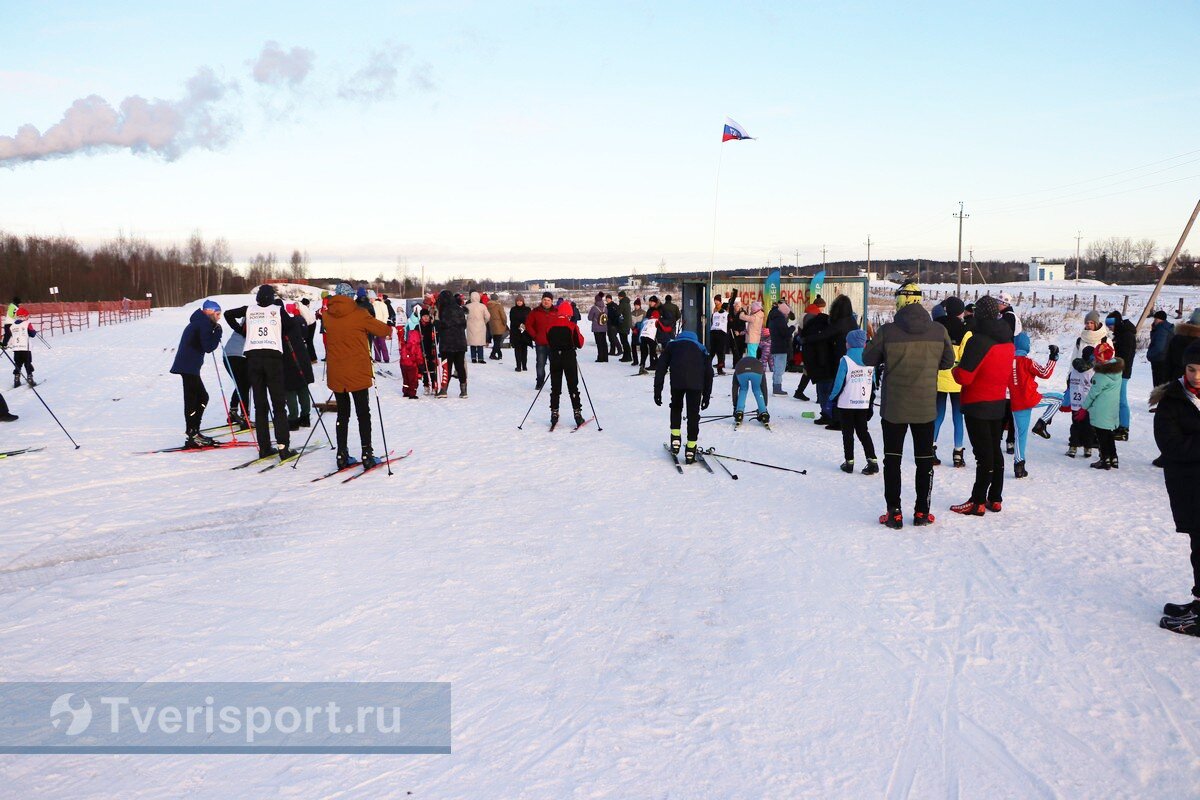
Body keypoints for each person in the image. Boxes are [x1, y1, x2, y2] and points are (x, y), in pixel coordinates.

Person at [863, 281, 954, 528]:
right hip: (925, 407)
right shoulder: (938, 330)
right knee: (924, 460)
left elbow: (868, 358)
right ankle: (922, 512)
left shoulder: (888, 331)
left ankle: (894, 513)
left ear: (900, 301)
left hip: (894, 407)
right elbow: (948, 361)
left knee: (892, 460)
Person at [950, 295, 1015, 516]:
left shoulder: (978, 340)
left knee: (983, 455)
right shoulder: (1007, 338)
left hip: (977, 403)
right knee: (995, 451)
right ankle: (995, 497)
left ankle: (977, 500)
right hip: (998, 401)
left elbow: (965, 377)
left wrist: (955, 370)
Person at [1152, 342, 1200, 636]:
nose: (1196, 376)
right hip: (1189, 486)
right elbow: (1171, 445)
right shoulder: (1172, 400)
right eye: (1192, 369)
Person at [323, 283, 393, 468]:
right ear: (351, 296)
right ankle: (367, 454)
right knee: (363, 413)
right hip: (357, 372)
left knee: (342, 414)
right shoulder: (360, 314)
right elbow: (384, 331)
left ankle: (341, 454)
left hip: (337, 373)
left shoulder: (327, 315)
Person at [237, 285, 303, 460]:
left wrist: (242, 331)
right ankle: (283, 447)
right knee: (278, 405)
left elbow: (229, 314)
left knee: (260, 406)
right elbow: (291, 325)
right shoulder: (277, 310)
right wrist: (278, 331)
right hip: (273, 358)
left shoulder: (250, 310)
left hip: (253, 358)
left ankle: (264, 447)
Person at [168, 299, 223, 448]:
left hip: (189, 366)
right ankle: (193, 433)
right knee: (196, 398)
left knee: (200, 397)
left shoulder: (200, 321)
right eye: (217, 314)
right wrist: (218, 333)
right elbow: (208, 347)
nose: (219, 317)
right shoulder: (203, 323)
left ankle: (194, 431)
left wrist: (213, 329)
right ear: (209, 312)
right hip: (188, 366)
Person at [655, 330, 713, 463]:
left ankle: (675, 439)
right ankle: (691, 449)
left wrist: (657, 390)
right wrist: (706, 396)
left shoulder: (671, 346)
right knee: (693, 415)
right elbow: (709, 373)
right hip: (696, 384)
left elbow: (660, 368)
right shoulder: (701, 348)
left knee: (676, 407)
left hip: (677, 382)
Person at [1007, 332, 1058, 479]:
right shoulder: (1028, 362)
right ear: (1026, 346)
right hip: (1032, 399)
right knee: (1059, 399)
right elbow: (1045, 373)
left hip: (1016, 403)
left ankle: (1019, 466)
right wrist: (1053, 358)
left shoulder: (1007, 362)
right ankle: (1041, 424)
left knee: (1020, 435)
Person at [831, 328, 878, 475]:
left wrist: (832, 398)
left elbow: (839, 383)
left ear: (849, 344)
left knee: (847, 433)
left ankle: (849, 462)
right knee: (863, 432)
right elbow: (873, 383)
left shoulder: (845, 360)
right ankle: (872, 460)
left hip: (846, 403)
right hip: (863, 403)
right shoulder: (870, 361)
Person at [933, 296, 969, 467]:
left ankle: (931, 448)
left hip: (938, 375)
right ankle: (958, 453)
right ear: (961, 312)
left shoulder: (936, 326)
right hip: (956, 378)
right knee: (957, 416)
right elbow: (965, 356)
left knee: (938, 414)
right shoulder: (965, 331)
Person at [545, 300, 586, 428]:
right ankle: (577, 413)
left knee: (555, 387)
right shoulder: (572, 326)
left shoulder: (550, 325)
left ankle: (554, 412)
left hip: (555, 358)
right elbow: (579, 343)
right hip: (569, 358)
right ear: (569, 313)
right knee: (573, 386)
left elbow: (548, 340)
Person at [1083, 342, 1123, 470]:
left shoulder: (1101, 375)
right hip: (1112, 408)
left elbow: (1092, 394)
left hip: (1101, 410)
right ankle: (1113, 458)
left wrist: (1083, 408)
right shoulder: (1117, 370)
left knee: (1101, 435)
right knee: (1109, 434)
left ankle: (1104, 459)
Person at [801, 299, 837, 425]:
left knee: (823, 390)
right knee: (830, 390)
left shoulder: (810, 332)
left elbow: (808, 352)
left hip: (819, 366)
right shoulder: (829, 328)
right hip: (831, 365)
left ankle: (826, 413)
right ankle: (831, 413)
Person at [1105, 310, 1137, 440]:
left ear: (1117, 322)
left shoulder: (1127, 335)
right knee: (1116, 400)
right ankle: (1119, 426)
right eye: (1108, 324)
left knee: (1122, 400)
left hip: (1122, 372)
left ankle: (1124, 429)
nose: (1109, 327)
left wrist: (1114, 365)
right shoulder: (1120, 334)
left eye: (1111, 324)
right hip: (1117, 371)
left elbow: (1125, 357)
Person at [281, 302, 314, 430]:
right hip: (302, 357)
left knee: (290, 390)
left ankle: (293, 419)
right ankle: (305, 417)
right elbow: (305, 334)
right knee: (303, 387)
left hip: (289, 359)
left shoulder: (280, 325)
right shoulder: (297, 320)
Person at [1064, 345, 1097, 459]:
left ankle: (1073, 447)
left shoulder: (1074, 369)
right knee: (1088, 426)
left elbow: (1068, 383)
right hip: (1088, 403)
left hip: (1075, 403)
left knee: (1075, 425)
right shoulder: (1092, 371)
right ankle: (1088, 448)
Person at [221, 306, 252, 427]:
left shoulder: (242, 324)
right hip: (239, 356)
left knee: (241, 384)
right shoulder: (251, 327)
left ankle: (233, 411)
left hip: (228, 356)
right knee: (244, 385)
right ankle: (245, 417)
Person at [436, 290, 469, 397]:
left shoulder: (444, 310)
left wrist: (436, 323)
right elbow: (464, 325)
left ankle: (444, 390)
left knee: (446, 367)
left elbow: (444, 326)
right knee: (460, 367)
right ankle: (464, 391)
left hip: (447, 344)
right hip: (460, 342)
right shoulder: (460, 310)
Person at [523, 292, 558, 389]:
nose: (546, 302)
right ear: (541, 300)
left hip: (553, 344)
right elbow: (528, 325)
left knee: (554, 365)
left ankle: (555, 384)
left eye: (548, 300)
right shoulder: (535, 312)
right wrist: (535, 336)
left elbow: (561, 324)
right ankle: (539, 382)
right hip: (540, 343)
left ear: (552, 301)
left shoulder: (556, 311)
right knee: (540, 364)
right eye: (544, 300)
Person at [3, 307, 38, 387]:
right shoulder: (27, 323)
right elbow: (32, 334)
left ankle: (16, 379)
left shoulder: (12, 326)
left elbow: (9, 334)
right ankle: (30, 378)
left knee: (18, 364)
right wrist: (33, 331)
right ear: (24, 316)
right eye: (27, 316)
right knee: (27, 363)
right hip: (25, 348)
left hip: (16, 349)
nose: (27, 317)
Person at [767, 302, 794, 396]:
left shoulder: (773, 318)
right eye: (787, 314)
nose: (787, 316)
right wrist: (792, 328)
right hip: (781, 347)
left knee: (776, 369)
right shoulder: (780, 319)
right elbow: (785, 333)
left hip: (775, 346)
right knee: (780, 369)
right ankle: (777, 389)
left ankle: (776, 387)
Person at [1167, 308, 1200, 381]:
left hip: (1176, 380)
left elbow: (1167, 365)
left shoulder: (1176, 339)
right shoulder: (1197, 343)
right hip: (1194, 382)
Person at [399, 310, 423, 400]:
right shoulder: (417, 346)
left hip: (403, 364)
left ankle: (405, 392)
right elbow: (419, 357)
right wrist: (420, 365)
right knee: (413, 380)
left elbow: (402, 353)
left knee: (406, 379)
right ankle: (412, 393)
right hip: (412, 365)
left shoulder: (406, 344)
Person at [464, 291, 489, 364]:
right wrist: (484, 322)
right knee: (480, 342)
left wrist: (467, 322)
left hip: (470, 325)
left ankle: (473, 358)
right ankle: (480, 358)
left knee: (472, 343)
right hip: (480, 325)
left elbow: (464, 317)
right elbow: (487, 316)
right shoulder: (482, 306)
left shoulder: (467, 306)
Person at [417, 309, 438, 392]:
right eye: (424, 316)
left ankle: (434, 385)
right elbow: (414, 338)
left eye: (427, 316)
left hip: (431, 349)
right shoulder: (418, 326)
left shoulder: (432, 326)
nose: (426, 318)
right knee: (424, 368)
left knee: (432, 368)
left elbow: (437, 338)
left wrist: (435, 336)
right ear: (421, 317)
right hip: (422, 349)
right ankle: (426, 385)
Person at [508, 295, 531, 372]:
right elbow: (512, 319)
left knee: (524, 349)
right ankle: (518, 366)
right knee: (517, 349)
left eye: (520, 301)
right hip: (516, 332)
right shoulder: (513, 309)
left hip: (525, 332)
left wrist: (524, 327)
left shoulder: (527, 309)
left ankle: (524, 365)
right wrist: (521, 326)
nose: (519, 302)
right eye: (518, 301)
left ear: (523, 301)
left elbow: (530, 319)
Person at [709, 295, 730, 375]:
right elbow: (729, 324)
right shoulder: (725, 314)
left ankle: (707, 367)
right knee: (719, 352)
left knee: (713, 351)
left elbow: (712, 321)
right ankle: (719, 369)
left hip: (715, 332)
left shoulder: (715, 313)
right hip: (720, 333)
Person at [587, 292, 609, 362]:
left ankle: (600, 358)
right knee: (604, 342)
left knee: (599, 343)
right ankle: (605, 358)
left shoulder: (594, 308)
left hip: (596, 328)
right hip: (604, 327)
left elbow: (589, 318)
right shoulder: (605, 308)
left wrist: (594, 319)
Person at [639, 304, 661, 373]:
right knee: (652, 351)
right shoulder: (657, 320)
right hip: (651, 336)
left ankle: (642, 364)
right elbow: (662, 328)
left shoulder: (647, 320)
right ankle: (653, 364)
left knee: (644, 351)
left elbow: (642, 326)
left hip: (643, 335)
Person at [370, 291, 390, 363]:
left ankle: (386, 358)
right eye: (369, 298)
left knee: (382, 342)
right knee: (375, 342)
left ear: (374, 298)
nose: (370, 300)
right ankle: (377, 357)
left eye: (371, 298)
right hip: (373, 326)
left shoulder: (381, 304)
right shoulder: (370, 305)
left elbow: (386, 315)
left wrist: (383, 324)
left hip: (381, 325)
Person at [487, 294, 508, 360]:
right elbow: (503, 316)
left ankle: (499, 354)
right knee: (497, 341)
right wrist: (504, 323)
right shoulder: (498, 306)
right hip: (499, 325)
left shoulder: (487, 306)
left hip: (491, 325)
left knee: (496, 341)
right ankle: (492, 354)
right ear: (497, 299)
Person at [298, 297, 318, 362]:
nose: (309, 306)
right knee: (308, 341)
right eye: (309, 304)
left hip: (311, 324)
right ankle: (311, 358)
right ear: (306, 304)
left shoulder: (302, 308)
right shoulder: (303, 308)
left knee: (309, 341)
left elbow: (307, 320)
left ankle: (313, 359)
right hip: (311, 323)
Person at [617, 291, 633, 362]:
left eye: (619, 296)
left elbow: (618, 312)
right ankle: (626, 356)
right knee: (625, 341)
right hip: (627, 324)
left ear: (621, 296)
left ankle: (627, 357)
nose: (618, 297)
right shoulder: (627, 303)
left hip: (623, 325)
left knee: (624, 341)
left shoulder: (622, 303)